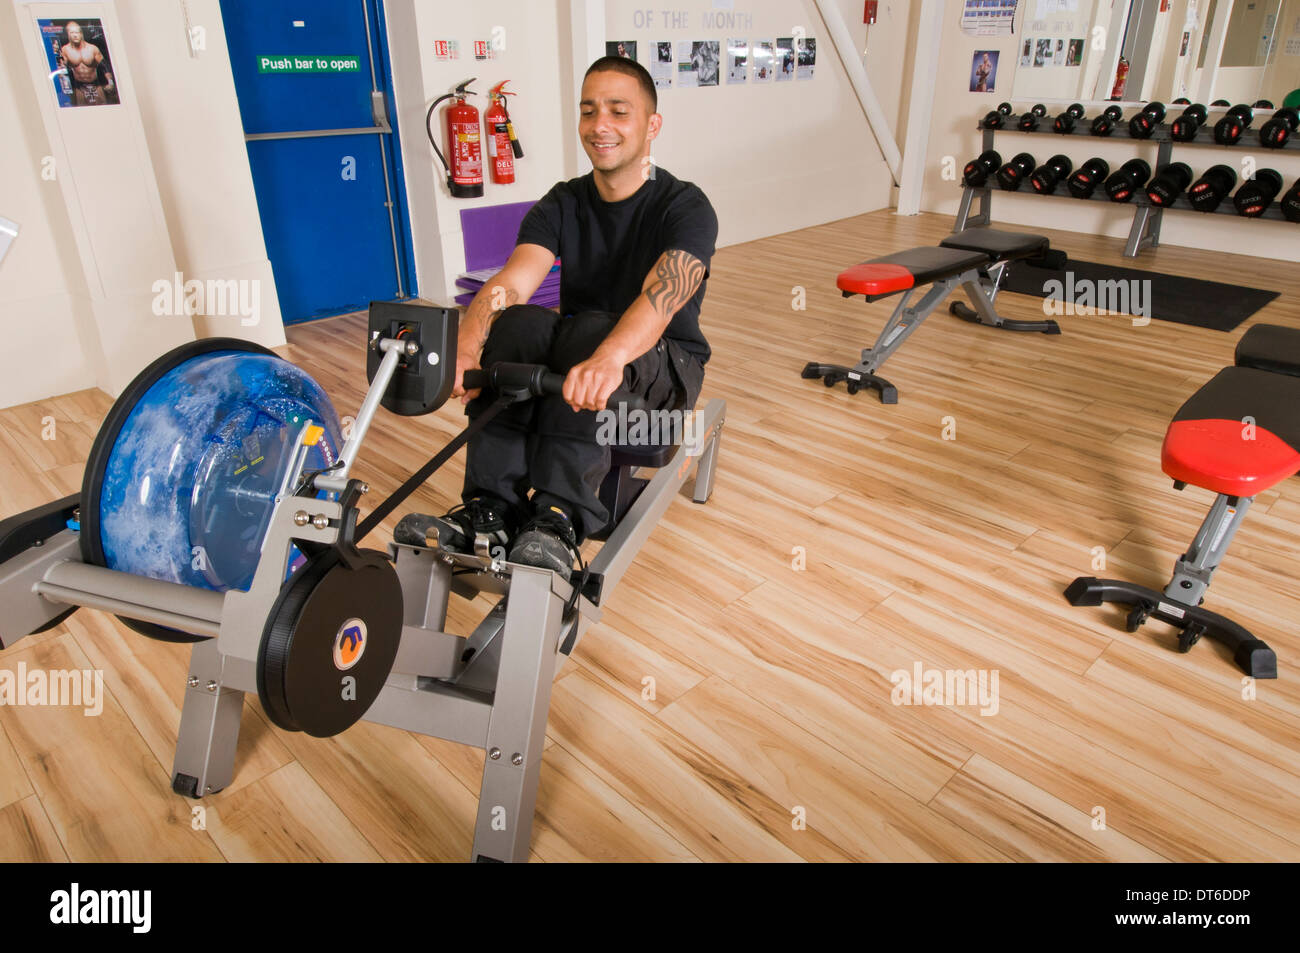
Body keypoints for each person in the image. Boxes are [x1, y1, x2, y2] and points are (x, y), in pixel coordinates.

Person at [445, 56, 717, 581]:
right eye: (590, 111)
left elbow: (662, 300)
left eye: (619, 111)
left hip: (665, 362)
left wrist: (611, 355)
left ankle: (558, 518)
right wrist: (466, 347)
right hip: (583, 356)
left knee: (594, 329)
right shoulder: (563, 201)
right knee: (521, 323)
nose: (601, 126)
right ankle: (492, 507)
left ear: (651, 125)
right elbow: (509, 283)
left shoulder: (685, 205)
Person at [57, 21, 115, 106]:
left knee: (103, 109)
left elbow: (105, 66)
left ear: (81, 33)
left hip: (96, 85)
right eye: (72, 32)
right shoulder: (65, 50)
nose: (75, 35)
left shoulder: (92, 48)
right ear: (68, 34)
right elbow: (62, 69)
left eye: (77, 32)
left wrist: (110, 82)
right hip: (79, 87)